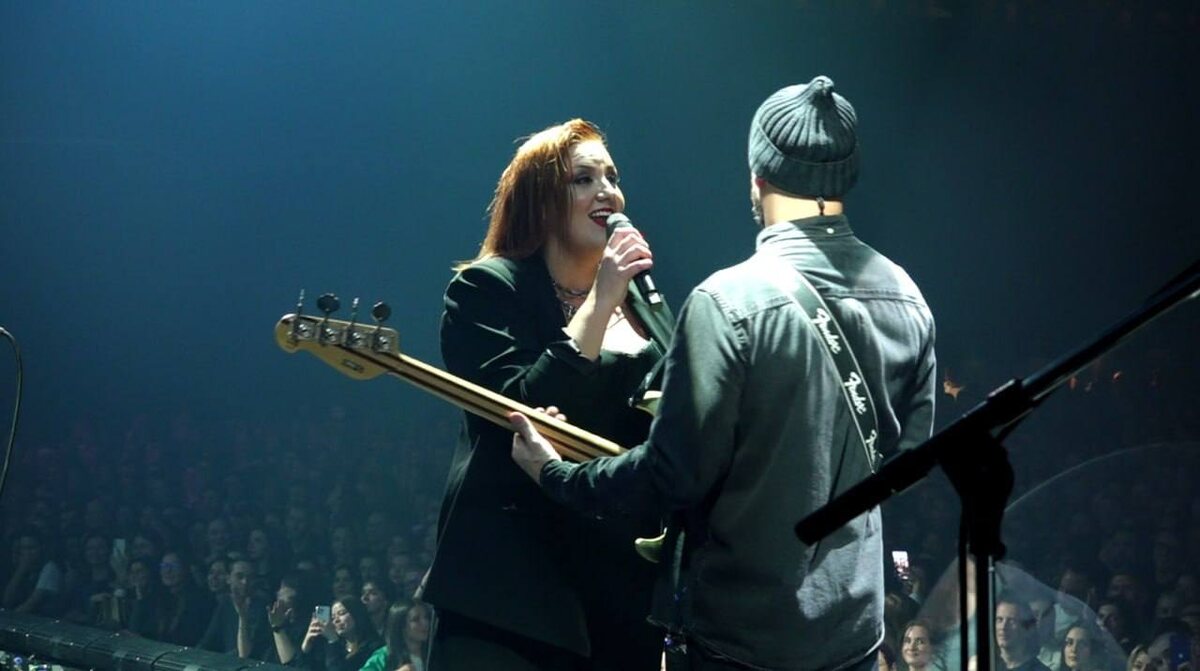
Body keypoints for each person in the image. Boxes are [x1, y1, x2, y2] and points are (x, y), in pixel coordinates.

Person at [509, 76, 937, 670]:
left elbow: (673, 474)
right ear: (847, 178)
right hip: (853, 640)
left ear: (758, 179)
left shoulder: (728, 301)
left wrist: (560, 477)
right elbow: (906, 463)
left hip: (738, 640)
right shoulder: (907, 298)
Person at [424, 118, 676, 670]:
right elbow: (519, 412)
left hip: (621, 593)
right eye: (583, 179)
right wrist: (601, 300)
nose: (607, 192)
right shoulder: (488, 289)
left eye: (611, 177)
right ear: (540, 200)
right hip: (514, 596)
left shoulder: (645, 303)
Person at [995, 596, 1052, 671]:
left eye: (1011, 621)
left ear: (1026, 629)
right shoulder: (991, 664)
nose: (1003, 627)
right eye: (999, 620)